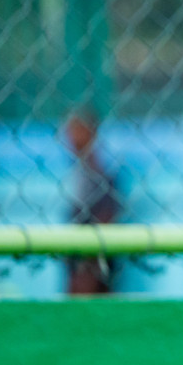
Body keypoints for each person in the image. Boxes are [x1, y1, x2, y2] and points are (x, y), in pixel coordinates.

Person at [64, 108, 122, 295]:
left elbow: (106, 216)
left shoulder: (99, 173)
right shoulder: (79, 170)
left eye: (78, 130)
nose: (71, 137)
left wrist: (90, 266)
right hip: (80, 258)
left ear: (92, 132)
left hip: (91, 262)